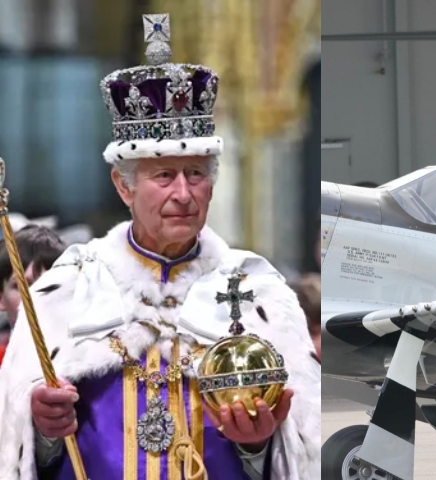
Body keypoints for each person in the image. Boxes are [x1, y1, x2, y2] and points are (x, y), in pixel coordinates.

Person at [0, 14, 319, 480]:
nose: (184, 193)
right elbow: (19, 449)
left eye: (196, 174)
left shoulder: (259, 292)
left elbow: (298, 452)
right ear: (124, 186)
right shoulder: (69, 287)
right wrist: (45, 430)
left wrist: (256, 445)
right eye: (164, 176)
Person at [0, 225, 66, 367]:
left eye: (49, 283)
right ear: (1, 298)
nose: (36, 296)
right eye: (21, 286)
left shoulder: (100, 363)